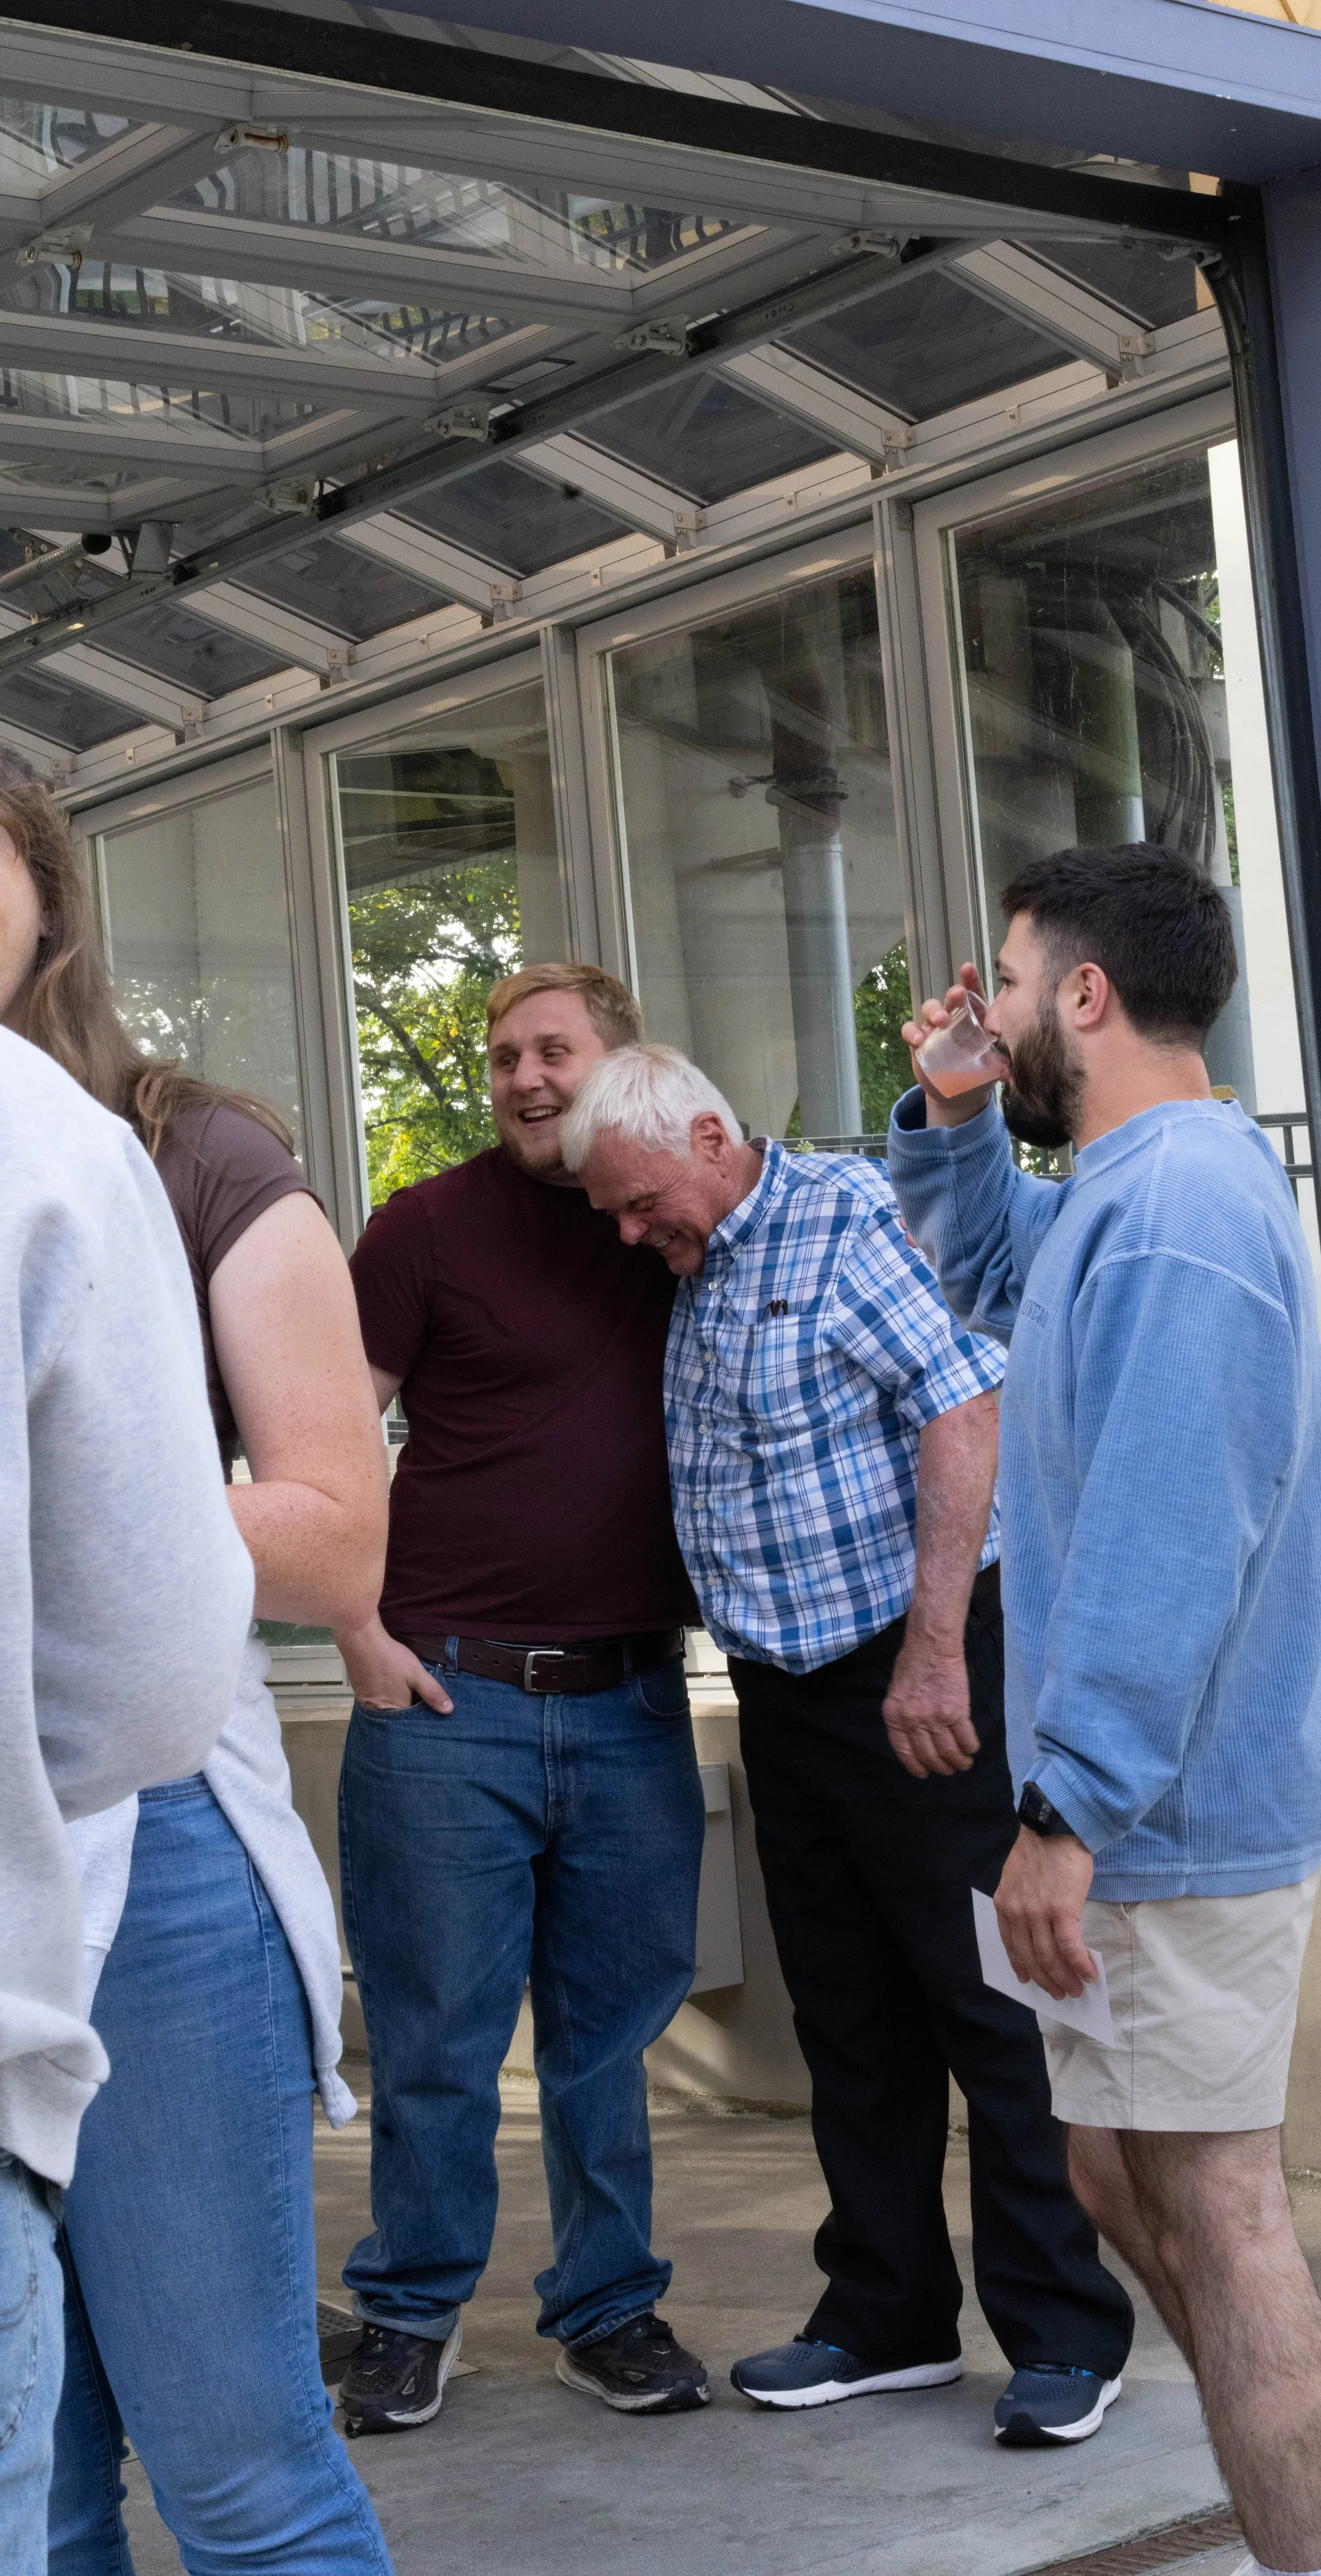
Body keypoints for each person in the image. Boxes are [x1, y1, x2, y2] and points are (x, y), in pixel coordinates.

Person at [888, 843, 1321, 2576]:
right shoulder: (1129, 1182)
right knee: (1114, 2175)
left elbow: (1166, 1531)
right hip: (1137, 1810)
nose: (992, 1007)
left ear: (1084, 995)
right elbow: (982, 1275)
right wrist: (953, 1112)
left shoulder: (1179, 1209)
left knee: (1218, 2206)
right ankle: (1309, 2525)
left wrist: (1066, 1812)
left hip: (1160, 1818)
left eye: (1009, 984)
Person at [567, 1043, 1136, 2447]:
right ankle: (885, 2318)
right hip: (786, 1692)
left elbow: (963, 1409)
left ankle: (1066, 2332)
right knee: (849, 2021)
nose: (636, 1236)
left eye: (643, 1203)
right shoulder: (698, 1261)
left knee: (991, 2012)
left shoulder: (842, 1217)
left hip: (918, 1671)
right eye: (616, 1219)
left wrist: (936, 1650)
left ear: (709, 1134)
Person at [0, 759, 396, 2575]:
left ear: (45, 892)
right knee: (45, 2486)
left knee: (239, 2468)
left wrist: (90, 1511)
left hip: (145, 1829)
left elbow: (331, 1528)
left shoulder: (179, 1149)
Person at [332, 962, 708, 2434]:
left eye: (551, 1050)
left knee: (610, 2040)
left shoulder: (672, 1221)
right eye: (501, 1057)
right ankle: (409, 2314)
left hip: (630, 1700)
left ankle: (608, 2311)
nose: (522, 1078)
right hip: (446, 1703)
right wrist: (355, 1628)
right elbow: (328, 1439)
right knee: (434, 2038)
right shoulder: (421, 1229)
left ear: (621, 1061)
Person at [0, 1025, 256, 2576]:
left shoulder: (207, 1160)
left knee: (226, 2469)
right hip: (77, 1863)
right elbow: (150, 1673)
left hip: (142, 1883)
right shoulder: (47, 1138)